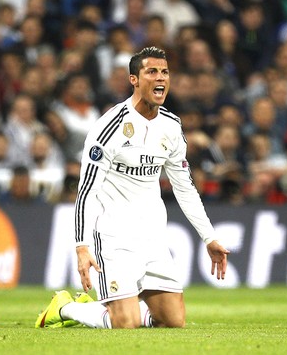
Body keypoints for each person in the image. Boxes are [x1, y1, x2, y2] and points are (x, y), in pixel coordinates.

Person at [35, 46, 230, 329]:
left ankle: (116, 306)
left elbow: (184, 187)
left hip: (153, 238)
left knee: (173, 322)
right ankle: (66, 308)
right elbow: (86, 191)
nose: (160, 78)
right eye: (151, 72)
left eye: (164, 72)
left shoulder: (172, 127)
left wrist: (209, 237)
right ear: (134, 80)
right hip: (114, 238)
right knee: (125, 323)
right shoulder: (109, 128)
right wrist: (82, 245)